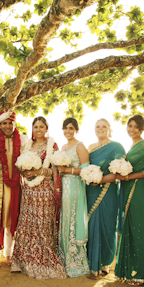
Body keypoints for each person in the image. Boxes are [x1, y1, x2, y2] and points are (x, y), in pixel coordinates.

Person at [11, 117, 67, 279]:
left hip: (44, 191)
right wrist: (25, 172)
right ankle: (22, 260)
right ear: (32, 129)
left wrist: (37, 172)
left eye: (41, 126)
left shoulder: (52, 146)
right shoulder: (28, 146)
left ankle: (43, 260)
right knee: (27, 222)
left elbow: (54, 171)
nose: (38, 129)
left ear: (46, 128)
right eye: (36, 127)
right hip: (29, 190)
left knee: (42, 223)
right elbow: (21, 167)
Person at [115, 115, 144, 284]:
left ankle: (141, 272)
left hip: (140, 190)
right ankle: (129, 270)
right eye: (129, 126)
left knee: (141, 229)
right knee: (130, 228)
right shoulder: (131, 146)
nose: (132, 129)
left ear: (141, 129)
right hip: (128, 188)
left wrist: (127, 177)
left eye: (136, 127)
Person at [0, 110, 29, 266]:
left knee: (12, 218)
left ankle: (9, 253)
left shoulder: (23, 140)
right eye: (4, 123)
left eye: (10, 123)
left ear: (14, 124)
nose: (7, 126)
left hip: (15, 185)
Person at [85, 119, 125, 276]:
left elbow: (119, 173)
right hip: (91, 190)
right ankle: (91, 260)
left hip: (107, 190)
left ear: (110, 129)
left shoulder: (116, 147)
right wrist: (90, 177)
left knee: (107, 224)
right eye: (97, 127)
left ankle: (105, 262)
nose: (100, 129)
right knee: (91, 223)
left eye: (104, 127)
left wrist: (99, 179)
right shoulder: (90, 148)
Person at [55, 117, 89, 277]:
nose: (67, 131)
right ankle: (63, 256)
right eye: (65, 128)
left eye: (71, 128)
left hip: (75, 186)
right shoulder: (63, 146)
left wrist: (67, 171)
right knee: (65, 218)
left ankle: (74, 260)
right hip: (64, 186)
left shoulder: (80, 146)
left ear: (76, 130)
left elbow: (86, 170)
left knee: (72, 219)